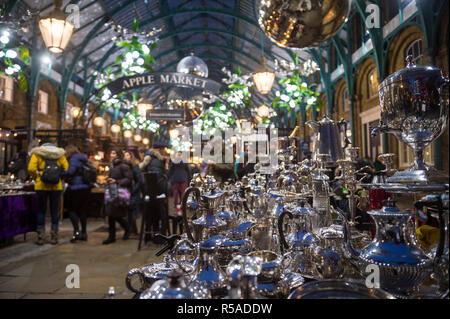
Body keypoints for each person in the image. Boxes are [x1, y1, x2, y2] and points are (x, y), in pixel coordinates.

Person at [27, 143, 68, 245]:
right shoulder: (60, 155)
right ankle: (54, 235)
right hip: (56, 186)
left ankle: (41, 236)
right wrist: (59, 176)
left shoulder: (38, 154)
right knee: (55, 210)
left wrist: (37, 176)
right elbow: (66, 168)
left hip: (41, 185)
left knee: (41, 210)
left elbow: (31, 169)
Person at [62, 145, 92, 243]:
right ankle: (84, 233)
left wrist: (59, 173)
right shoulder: (84, 158)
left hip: (75, 188)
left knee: (71, 210)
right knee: (82, 211)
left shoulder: (73, 159)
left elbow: (70, 172)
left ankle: (77, 232)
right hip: (86, 188)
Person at [103, 148, 132, 245]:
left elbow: (129, 179)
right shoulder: (112, 165)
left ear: (118, 155)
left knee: (116, 215)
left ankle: (125, 229)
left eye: (113, 153)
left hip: (119, 194)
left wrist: (116, 182)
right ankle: (112, 236)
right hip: (112, 193)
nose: (111, 155)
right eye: (111, 153)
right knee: (111, 215)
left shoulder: (123, 166)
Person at [139, 145, 169, 243]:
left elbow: (142, 170)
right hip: (159, 191)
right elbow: (162, 176)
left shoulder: (148, 158)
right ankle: (159, 237)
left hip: (149, 192)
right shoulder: (161, 160)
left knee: (149, 213)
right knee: (160, 214)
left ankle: (148, 236)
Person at [123, 150, 144, 235]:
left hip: (133, 192)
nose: (125, 156)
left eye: (127, 155)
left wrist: (133, 190)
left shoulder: (135, 166)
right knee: (128, 211)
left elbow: (140, 180)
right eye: (124, 155)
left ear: (131, 156)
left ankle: (132, 230)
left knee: (132, 210)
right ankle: (132, 229)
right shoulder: (124, 166)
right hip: (127, 191)